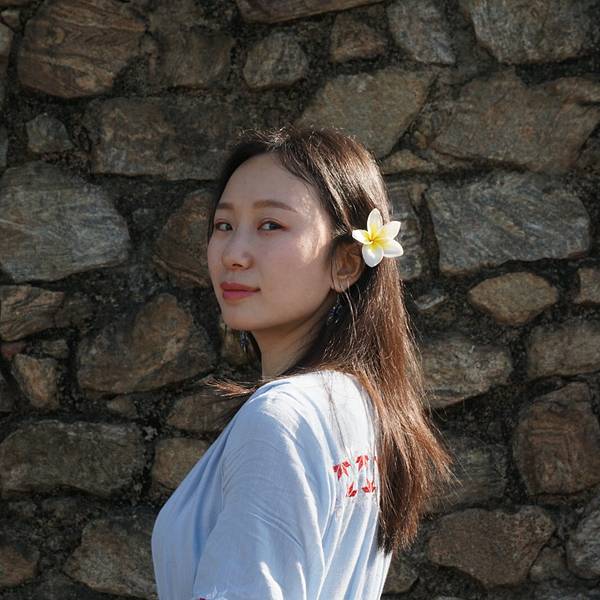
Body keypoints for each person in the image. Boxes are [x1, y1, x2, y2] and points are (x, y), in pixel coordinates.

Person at [151, 125, 456, 599]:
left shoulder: (280, 418)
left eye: (270, 225)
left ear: (346, 263)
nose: (233, 254)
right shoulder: (361, 403)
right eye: (223, 225)